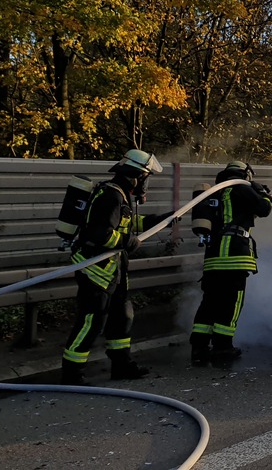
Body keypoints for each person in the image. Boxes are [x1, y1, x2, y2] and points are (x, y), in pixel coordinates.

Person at [61, 149, 168, 385]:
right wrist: (128, 242)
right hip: (96, 269)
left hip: (114, 270)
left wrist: (161, 219)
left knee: (122, 316)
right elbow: (99, 233)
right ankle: (71, 373)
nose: (145, 184)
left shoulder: (119, 195)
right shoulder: (111, 196)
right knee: (92, 320)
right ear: (136, 175)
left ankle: (121, 365)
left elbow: (127, 223)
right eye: (145, 177)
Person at [189, 161, 272, 365]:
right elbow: (264, 209)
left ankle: (199, 347)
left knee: (209, 302)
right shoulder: (241, 188)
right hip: (234, 256)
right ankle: (223, 348)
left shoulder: (213, 194)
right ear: (245, 174)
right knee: (231, 304)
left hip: (213, 258)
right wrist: (261, 194)